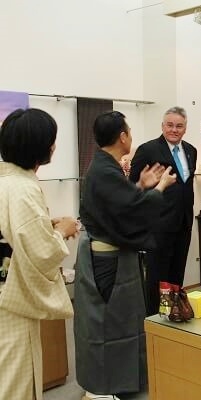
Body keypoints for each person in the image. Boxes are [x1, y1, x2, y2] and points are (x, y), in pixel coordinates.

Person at [75, 111, 176, 400]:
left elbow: (120, 205)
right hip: (110, 263)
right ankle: (111, 386)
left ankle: (121, 381)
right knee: (114, 324)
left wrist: (139, 186)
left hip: (111, 257)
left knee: (123, 322)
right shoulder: (105, 170)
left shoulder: (104, 166)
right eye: (129, 130)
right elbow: (130, 212)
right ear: (122, 136)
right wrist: (158, 189)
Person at [0, 108, 79, 400]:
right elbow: (41, 251)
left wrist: (46, 225)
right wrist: (61, 231)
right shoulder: (22, 188)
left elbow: (12, 232)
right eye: (52, 140)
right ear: (40, 147)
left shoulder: (5, 181)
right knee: (13, 382)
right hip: (9, 300)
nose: (54, 146)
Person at [129, 107, 197, 315]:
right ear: (162, 126)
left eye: (179, 126)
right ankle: (155, 318)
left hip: (184, 221)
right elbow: (134, 186)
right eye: (170, 125)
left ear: (185, 128)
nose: (174, 130)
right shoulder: (147, 150)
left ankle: (173, 313)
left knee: (177, 273)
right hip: (158, 225)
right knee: (158, 277)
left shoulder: (191, 150)